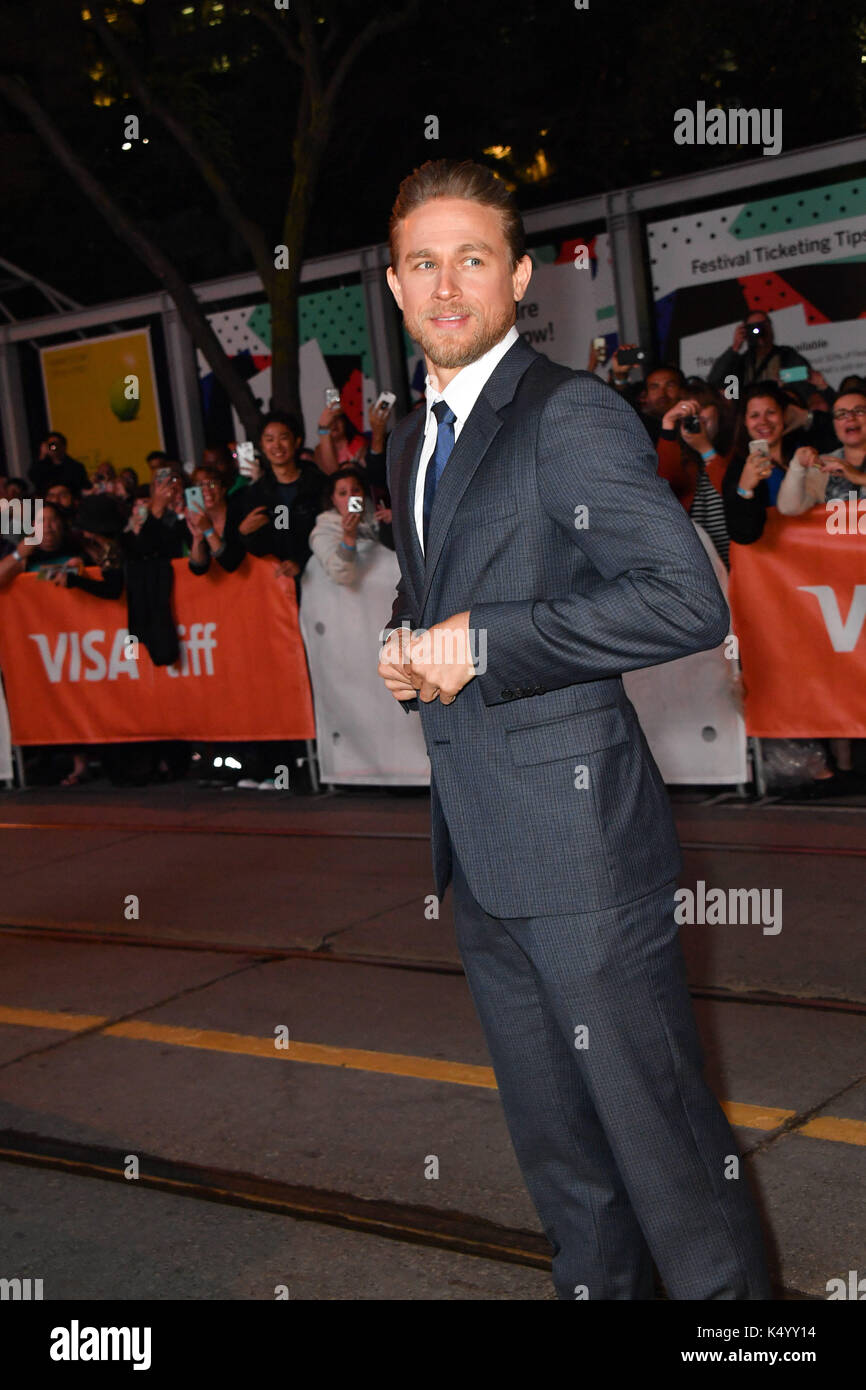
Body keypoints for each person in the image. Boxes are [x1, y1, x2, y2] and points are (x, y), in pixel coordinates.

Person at [376, 158, 770, 1302]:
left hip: (586, 858)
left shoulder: (569, 413)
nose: (446, 286)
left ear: (518, 276)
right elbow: (441, 591)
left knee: (667, 1163)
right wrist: (414, 645)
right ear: (396, 288)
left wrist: (483, 640)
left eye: (471, 260)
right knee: (568, 1171)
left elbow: (684, 598)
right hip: (481, 852)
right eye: (421, 264)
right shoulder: (410, 438)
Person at [299, 468, 425, 787]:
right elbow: (342, 573)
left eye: (356, 490)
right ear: (332, 499)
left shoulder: (383, 521)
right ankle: (367, 772)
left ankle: (415, 771)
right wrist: (349, 539)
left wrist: (395, 525)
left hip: (391, 634)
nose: (351, 497)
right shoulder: (325, 530)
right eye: (342, 492)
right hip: (351, 643)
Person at [237, 411, 321, 587]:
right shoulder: (256, 494)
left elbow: (330, 532)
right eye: (269, 439)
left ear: (297, 441)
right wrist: (245, 534)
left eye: (283, 438)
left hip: (320, 576)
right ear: (261, 445)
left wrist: (301, 561)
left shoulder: (317, 484)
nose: (277, 445)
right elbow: (260, 547)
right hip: (278, 585)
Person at [723, 381, 809, 545]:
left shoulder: (804, 451)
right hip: (774, 565)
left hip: (818, 555)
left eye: (771, 412)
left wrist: (807, 416)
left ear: (784, 415)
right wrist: (745, 490)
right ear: (745, 422)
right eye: (754, 415)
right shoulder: (739, 468)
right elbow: (743, 535)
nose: (763, 421)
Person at [657, 386, 734, 567]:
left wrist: (706, 450)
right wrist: (668, 425)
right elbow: (664, 489)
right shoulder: (679, 455)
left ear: (719, 413)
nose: (696, 416)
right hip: (697, 562)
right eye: (690, 412)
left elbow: (733, 493)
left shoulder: (734, 450)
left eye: (703, 408)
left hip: (736, 560)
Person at [776, 390, 866, 514]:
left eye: (859, 411)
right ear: (834, 425)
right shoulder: (824, 464)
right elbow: (789, 508)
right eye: (841, 414)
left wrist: (859, 478)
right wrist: (797, 466)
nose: (850, 418)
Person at [708, 311, 812, 405]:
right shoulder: (741, 362)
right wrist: (734, 348)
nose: (758, 330)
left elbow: (805, 374)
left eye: (763, 325)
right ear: (745, 332)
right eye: (753, 327)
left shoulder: (786, 354)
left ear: (771, 328)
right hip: (749, 414)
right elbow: (713, 381)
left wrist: (785, 376)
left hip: (780, 410)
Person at [186, 466, 246, 575]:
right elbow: (198, 569)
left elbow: (231, 563)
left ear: (223, 489)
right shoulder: (196, 520)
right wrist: (198, 538)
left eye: (212, 484)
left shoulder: (239, 513)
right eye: (200, 485)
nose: (206, 490)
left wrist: (208, 530)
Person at [29, 431, 90, 497]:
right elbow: (33, 477)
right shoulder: (43, 466)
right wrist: (42, 455)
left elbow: (81, 488)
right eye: (50, 445)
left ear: (64, 446)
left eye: (56, 444)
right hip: (47, 502)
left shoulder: (75, 467)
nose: (53, 447)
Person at [314, 405, 367, 474]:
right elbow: (330, 475)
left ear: (345, 422)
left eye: (337, 419)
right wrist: (323, 431)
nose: (334, 424)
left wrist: (323, 430)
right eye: (330, 421)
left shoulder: (358, 442)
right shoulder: (319, 450)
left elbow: (337, 474)